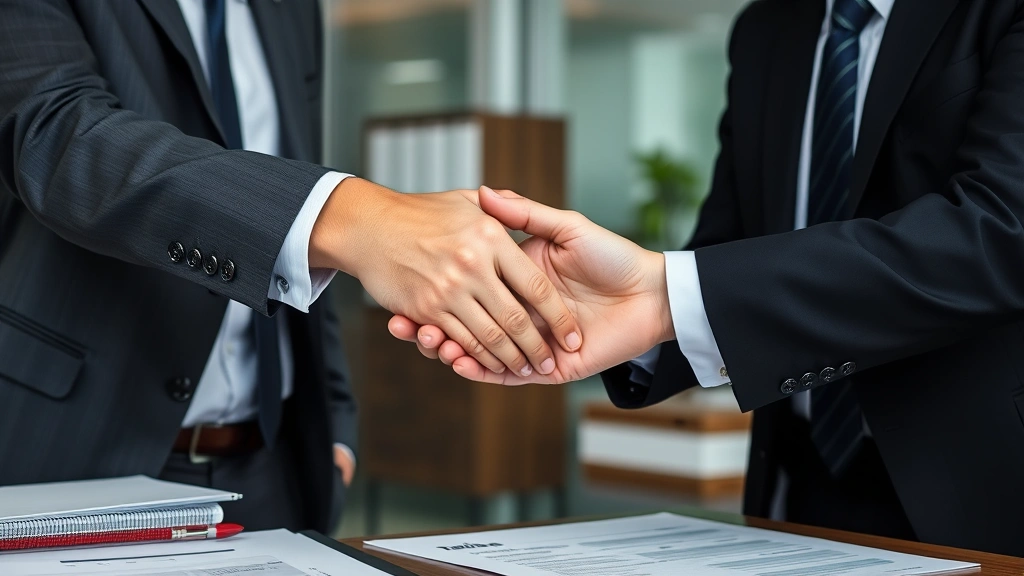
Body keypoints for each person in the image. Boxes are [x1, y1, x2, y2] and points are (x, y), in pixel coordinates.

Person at [390, 0, 1024, 557]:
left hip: (977, 490)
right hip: (792, 484)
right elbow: (729, 246)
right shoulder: (768, 29)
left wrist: (665, 296)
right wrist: (595, 316)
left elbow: (1000, 232)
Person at [0, 0, 581, 532]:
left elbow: (300, 199)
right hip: (78, 455)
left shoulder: (292, 9)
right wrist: (359, 218)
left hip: (275, 470)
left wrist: (338, 428)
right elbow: (57, 137)